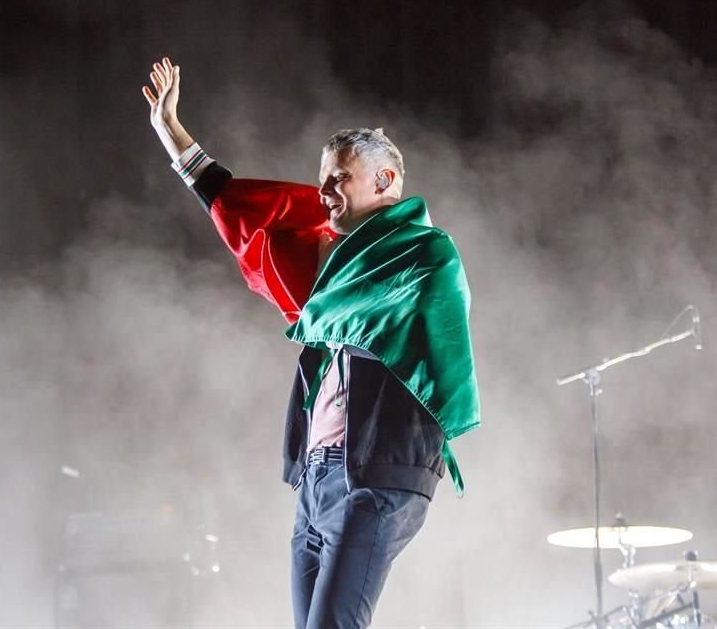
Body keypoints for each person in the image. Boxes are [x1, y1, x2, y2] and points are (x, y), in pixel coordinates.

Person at [142, 56, 480, 629]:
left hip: (378, 476)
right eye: (322, 177)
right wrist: (172, 133)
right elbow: (246, 213)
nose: (323, 191)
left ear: (386, 181)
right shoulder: (332, 262)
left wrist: (318, 297)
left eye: (338, 177)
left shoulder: (425, 253)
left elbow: (355, 307)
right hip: (319, 477)